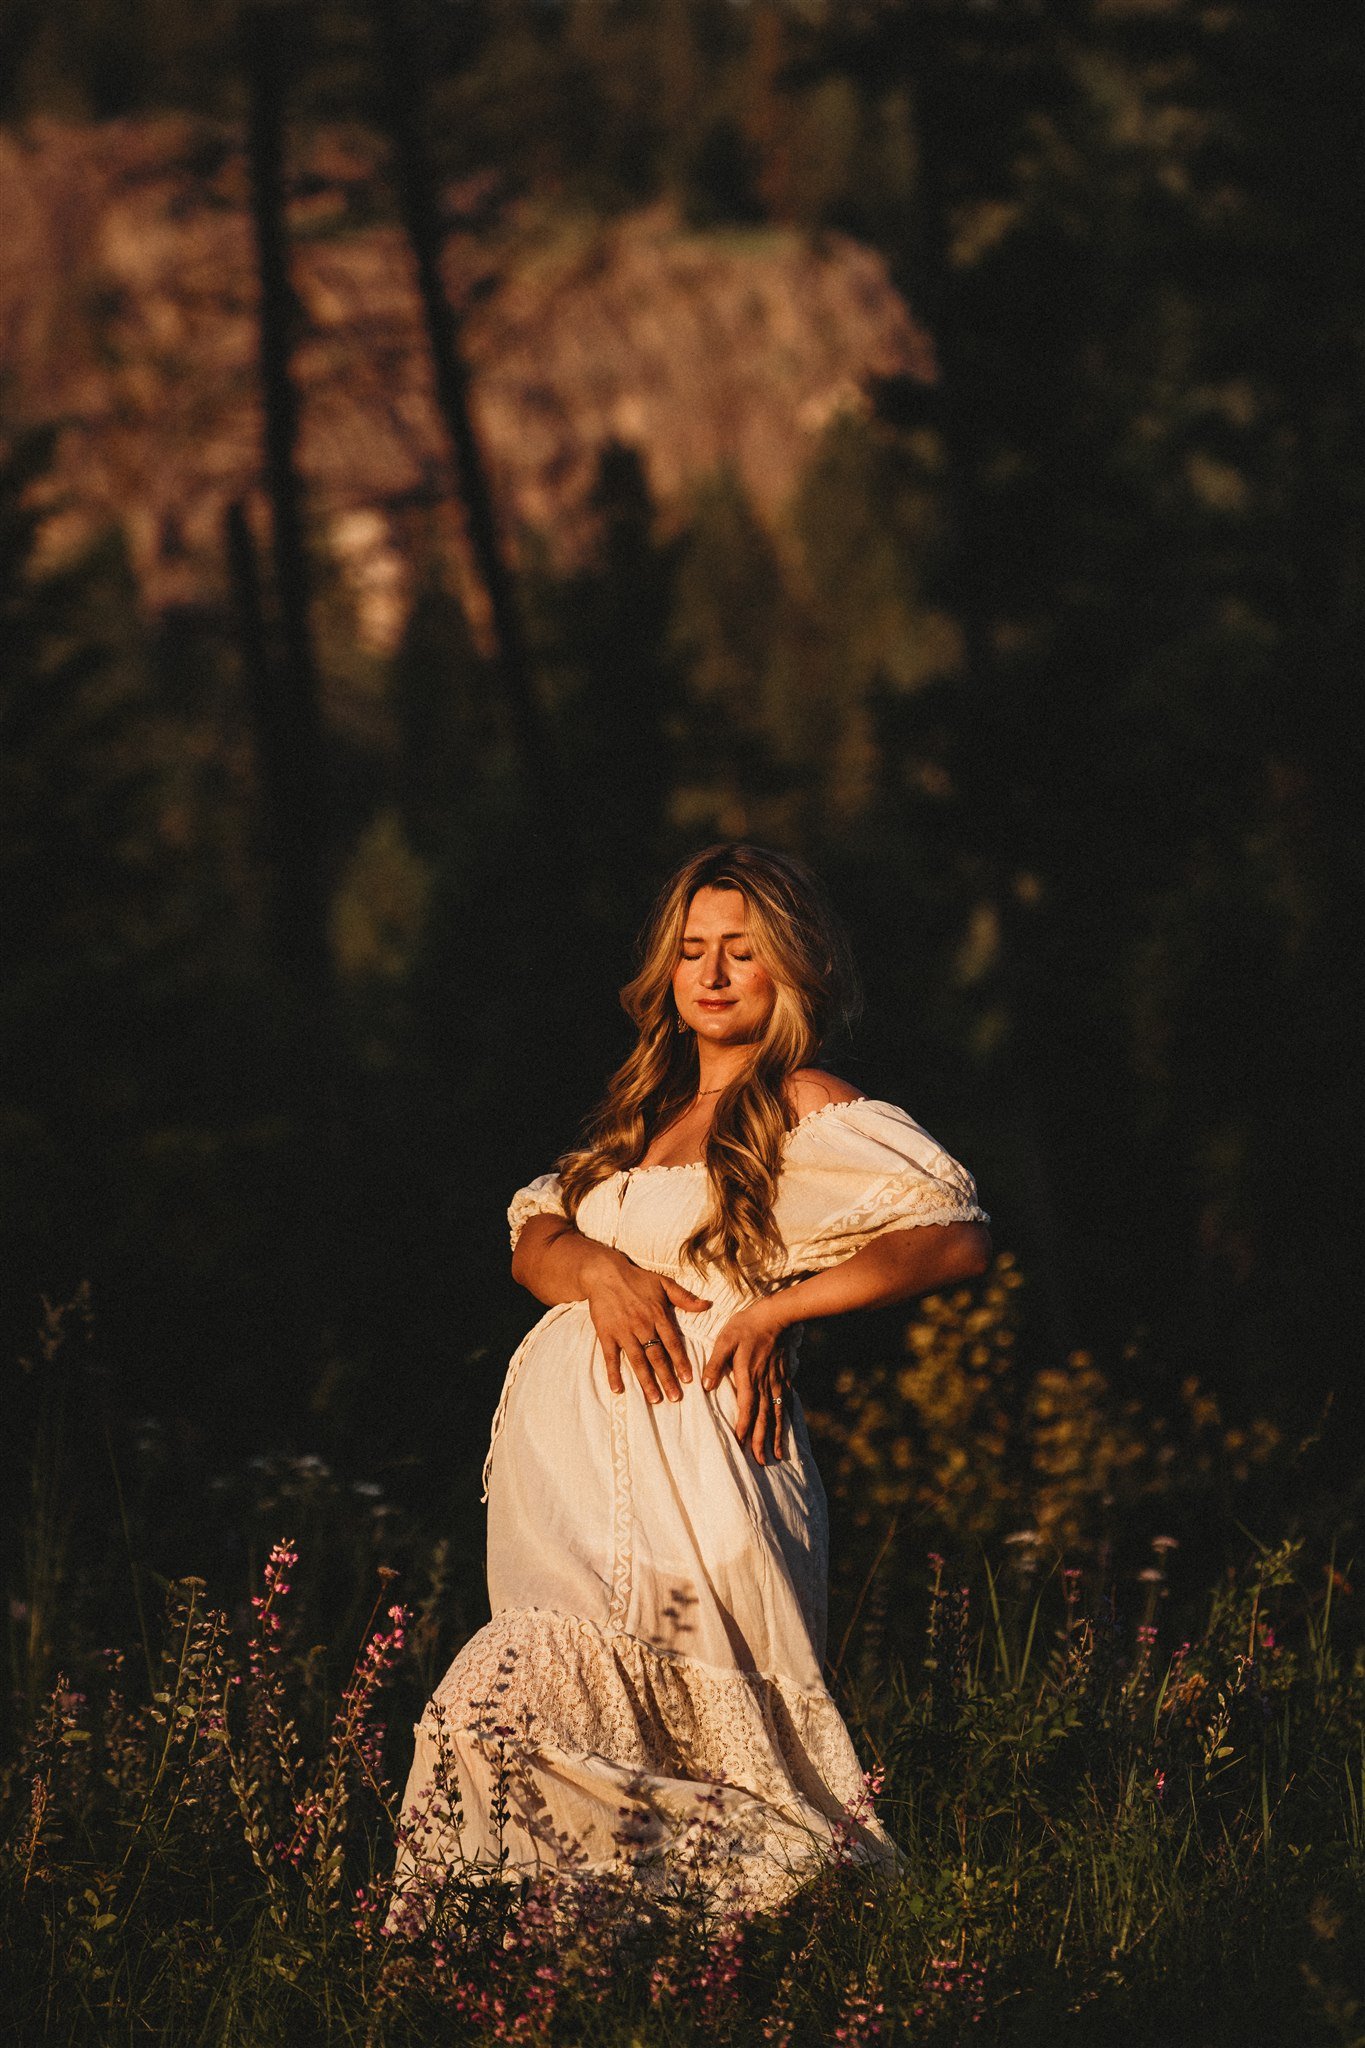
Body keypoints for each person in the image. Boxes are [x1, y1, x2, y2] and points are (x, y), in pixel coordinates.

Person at [387, 843, 991, 1924]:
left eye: (742, 953)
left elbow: (950, 1232)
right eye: (692, 951)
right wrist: (601, 1271)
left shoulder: (800, 1101)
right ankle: (609, 1964)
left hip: (699, 1478)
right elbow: (532, 1236)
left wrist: (778, 1307)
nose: (711, 975)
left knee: (660, 1741)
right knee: (516, 1727)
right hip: (568, 1502)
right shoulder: (642, 1117)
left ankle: (811, 1899)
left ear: (790, 969)